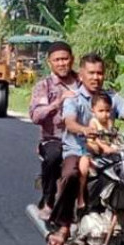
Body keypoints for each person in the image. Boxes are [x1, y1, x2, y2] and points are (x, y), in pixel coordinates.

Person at [47, 53, 124, 245]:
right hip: (78, 149)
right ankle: (64, 226)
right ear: (82, 75)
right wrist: (84, 129)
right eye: (91, 73)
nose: (96, 77)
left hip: (109, 152)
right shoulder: (74, 98)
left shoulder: (112, 98)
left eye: (100, 73)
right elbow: (69, 122)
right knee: (71, 174)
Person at [29, 41, 80, 220]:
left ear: (72, 59)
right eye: (57, 60)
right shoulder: (44, 86)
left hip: (84, 137)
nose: (61, 63)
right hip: (54, 139)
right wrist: (57, 103)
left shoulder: (83, 82)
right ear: (50, 62)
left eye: (65, 59)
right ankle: (48, 201)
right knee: (53, 157)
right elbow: (35, 116)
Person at [77, 92, 117, 210]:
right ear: (93, 110)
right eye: (101, 111)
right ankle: (80, 197)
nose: (105, 114)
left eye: (108, 110)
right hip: (91, 151)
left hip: (106, 153)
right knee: (83, 169)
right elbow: (96, 139)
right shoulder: (93, 122)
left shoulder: (109, 122)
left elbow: (114, 136)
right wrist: (104, 147)